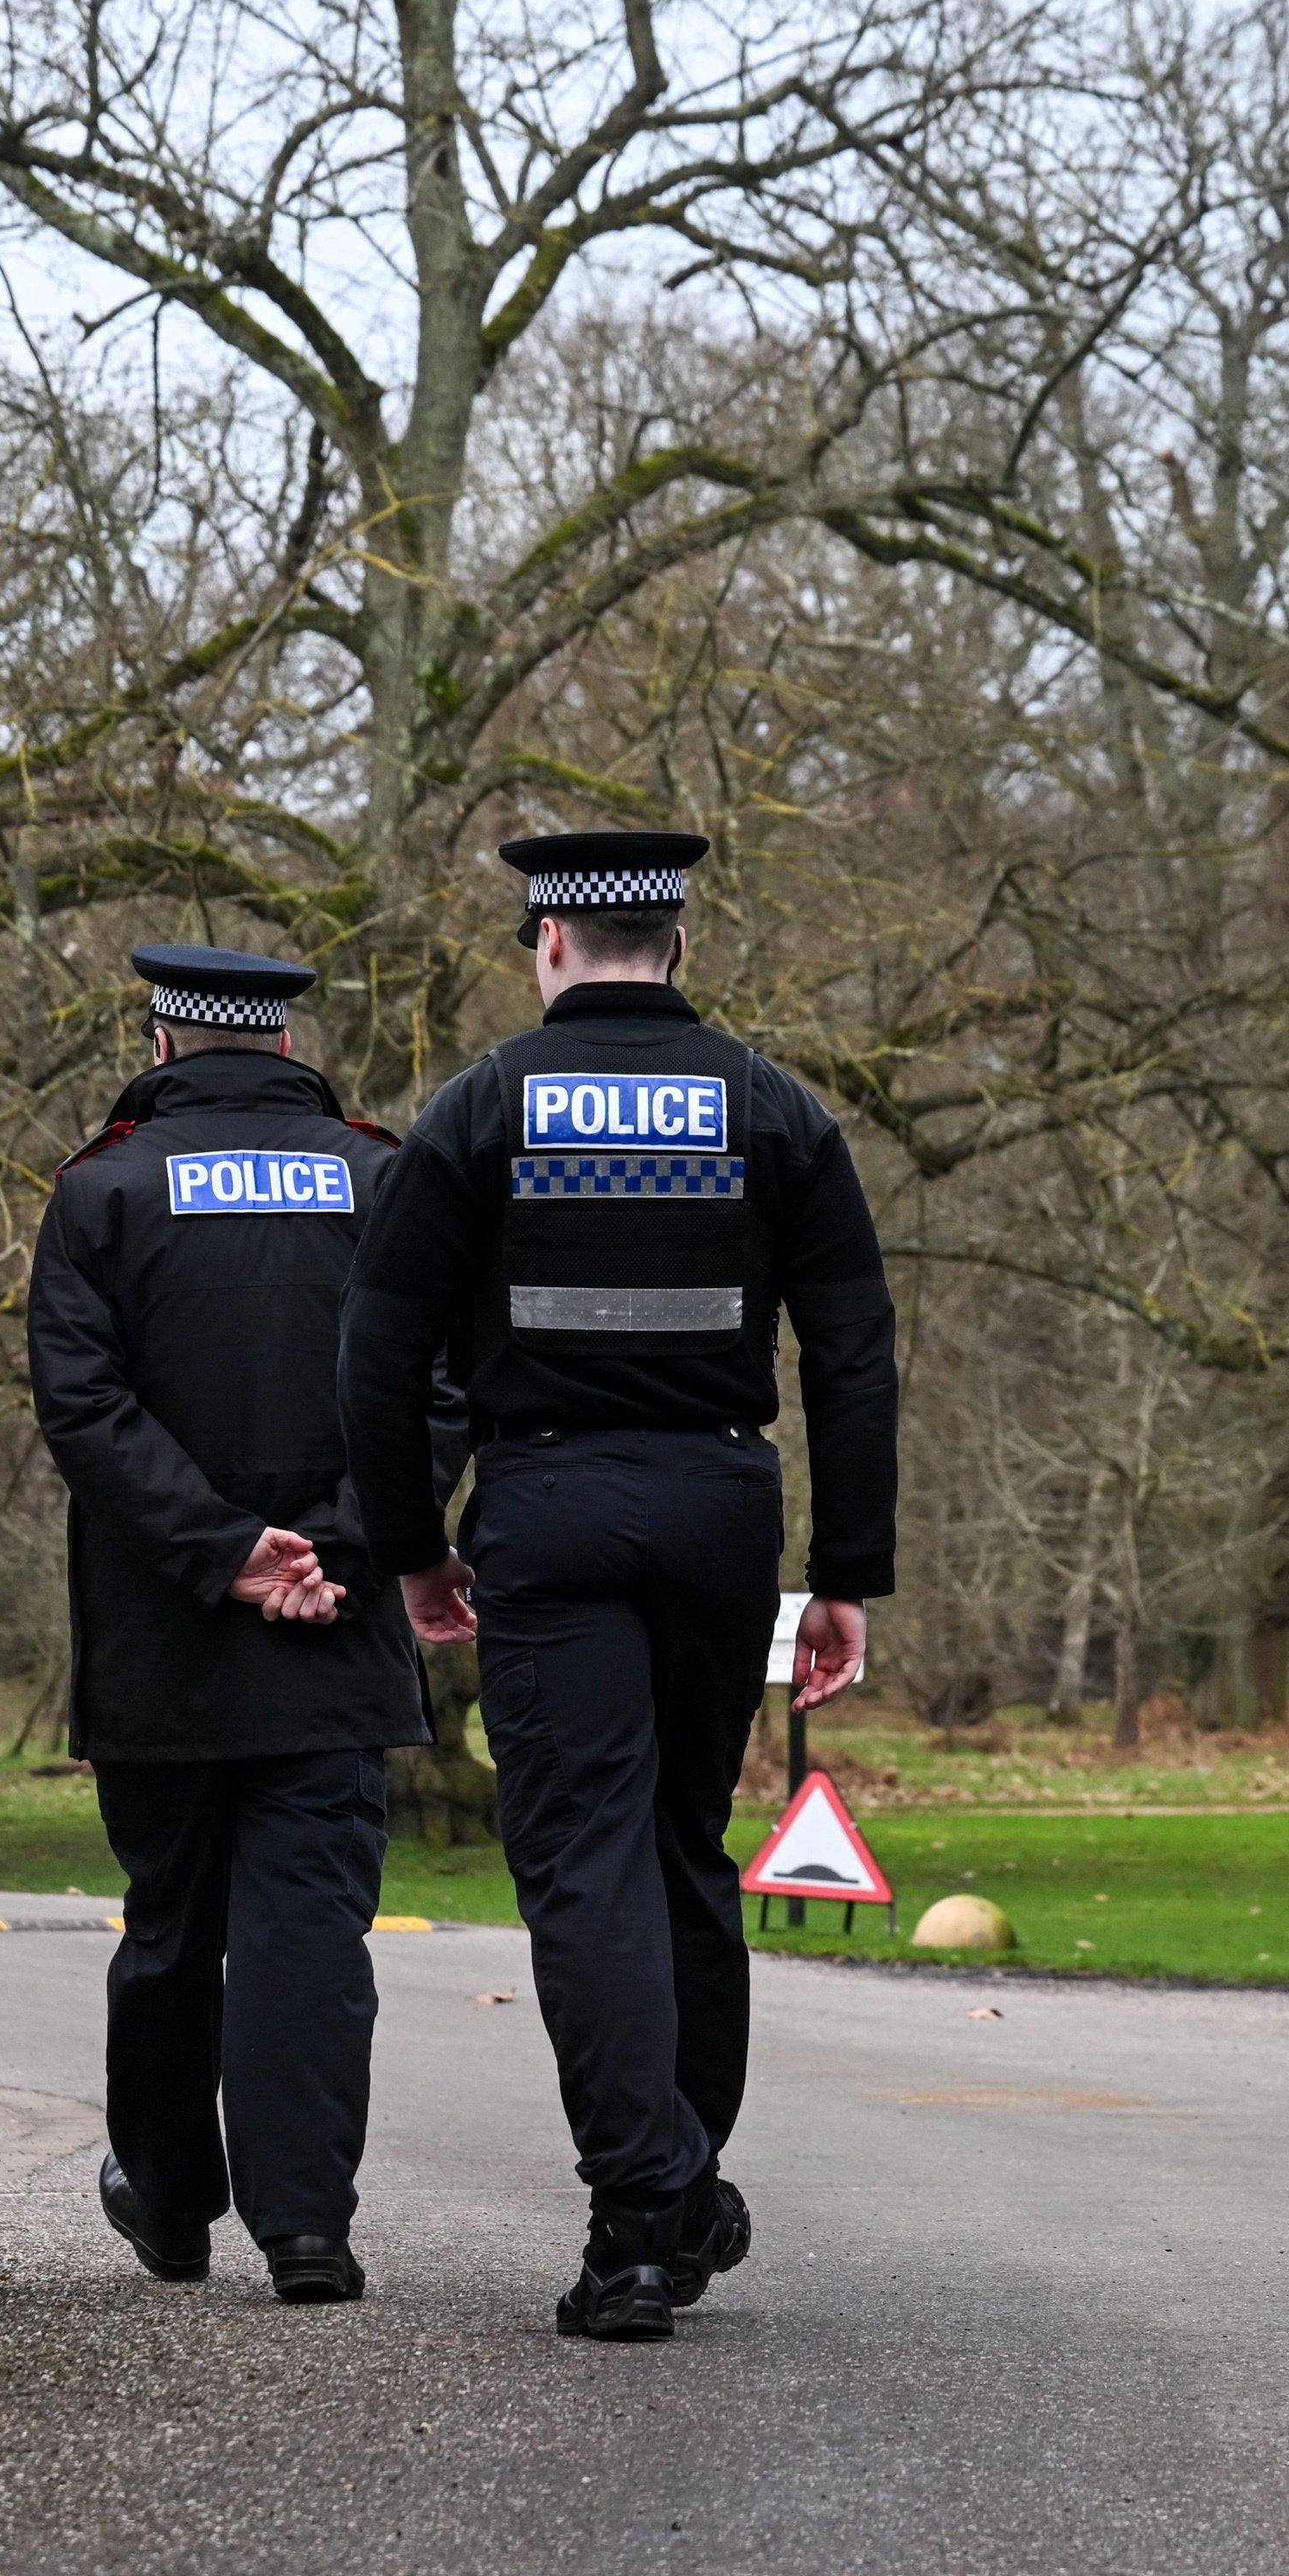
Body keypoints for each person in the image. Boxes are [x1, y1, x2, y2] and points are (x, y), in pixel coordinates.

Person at [337, 830, 898, 2342]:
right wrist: (848, 1568)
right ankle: (680, 2171)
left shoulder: (482, 1109)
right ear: (682, 944)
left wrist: (409, 1547)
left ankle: (639, 2218)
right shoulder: (776, 1109)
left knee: (582, 1858)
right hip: (722, 1503)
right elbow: (851, 1349)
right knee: (678, 1848)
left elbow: (379, 1351)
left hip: (547, 1504)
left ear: (549, 945)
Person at [30, 944, 442, 2305]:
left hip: (168, 1641)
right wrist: (335, 1542)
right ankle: (306, 2223)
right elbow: (439, 1395)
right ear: (281, 1041)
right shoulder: (382, 1180)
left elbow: (84, 1409)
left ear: (162, 1041)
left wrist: (225, 1554)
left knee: (170, 1926)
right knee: (310, 1931)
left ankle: (169, 2193)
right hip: (335, 1635)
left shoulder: (100, 1188)